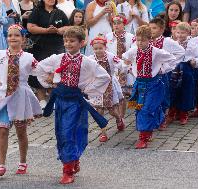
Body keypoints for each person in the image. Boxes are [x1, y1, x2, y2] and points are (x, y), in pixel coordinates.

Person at [35, 26, 110, 184]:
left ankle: (68, 170)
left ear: (82, 43)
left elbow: (104, 77)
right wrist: (49, 82)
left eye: (72, 41)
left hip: (76, 103)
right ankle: (72, 159)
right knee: (61, 133)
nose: (68, 44)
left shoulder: (87, 62)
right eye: (66, 40)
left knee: (72, 133)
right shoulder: (58, 58)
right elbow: (40, 67)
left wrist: (87, 89)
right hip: (60, 101)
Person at [0, 24, 42, 176]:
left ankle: (23, 162)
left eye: (17, 35)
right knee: (3, 130)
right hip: (3, 96)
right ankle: (1, 164)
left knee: (21, 131)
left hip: (20, 96)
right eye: (10, 35)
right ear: (6, 38)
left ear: (23, 39)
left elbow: (41, 71)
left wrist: (52, 77)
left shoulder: (28, 58)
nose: (13, 38)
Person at [122, 25, 176, 149]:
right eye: (138, 40)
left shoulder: (156, 51)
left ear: (150, 40)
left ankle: (143, 137)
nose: (140, 42)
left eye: (143, 40)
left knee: (147, 109)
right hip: (139, 84)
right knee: (138, 108)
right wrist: (128, 68)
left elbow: (172, 59)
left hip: (154, 84)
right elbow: (125, 58)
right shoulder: (134, 50)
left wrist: (163, 69)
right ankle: (152, 126)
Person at [27, 0, 69, 108]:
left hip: (56, 46)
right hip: (39, 47)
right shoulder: (37, 11)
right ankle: (41, 100)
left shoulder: (60, 12)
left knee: (55, 71)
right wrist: (46, 30)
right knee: (39, 70)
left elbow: (68, 27)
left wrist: (58, 30)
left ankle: (53, 97)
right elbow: (30, 27)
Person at [148, 17, 185, 130]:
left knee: (164, 96)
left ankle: (163, 118)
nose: (151, 30)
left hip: (162, 74)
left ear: (162, 29)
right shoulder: (147, 41)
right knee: (150, 96)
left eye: (154, 28)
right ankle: (151, 118)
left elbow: (181, 52)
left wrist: (169, 66)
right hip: (149, 74)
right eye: (150, 28)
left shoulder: (167, 41)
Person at [88, 35, 125, 142]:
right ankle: (103, 132)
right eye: (96, 49)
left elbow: (120, 64)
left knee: (112, 110)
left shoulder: (110, 56)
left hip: (109, 85)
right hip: (97, 87)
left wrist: (122, 67)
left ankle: (119, 119)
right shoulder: (90, 59)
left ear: (105, 47)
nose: (98, 51)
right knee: (99, 111)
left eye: (100, 48)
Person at [168, 22, 198, 125]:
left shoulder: (192, 44)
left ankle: (184, 113)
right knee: (173, 91)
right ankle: (172, 112)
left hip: (187, 70)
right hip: (174, 70)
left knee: (186, 91)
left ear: (188, 33)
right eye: (178, 32)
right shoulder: (172, 43)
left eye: (182, 33)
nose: (180, 35)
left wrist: (195, 61)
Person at [105, 15, 135, 123]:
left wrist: (129, 62)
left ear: (124, 24)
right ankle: (119, 116)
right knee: (116, 93)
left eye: (119, 23)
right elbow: (105, 51)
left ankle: (124, 115)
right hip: (113, 68)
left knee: (126, 93)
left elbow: (134, 50)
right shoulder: (108, 37)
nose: (116, 25)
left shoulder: (130, 37)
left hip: (126, 67)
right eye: (114, 23)